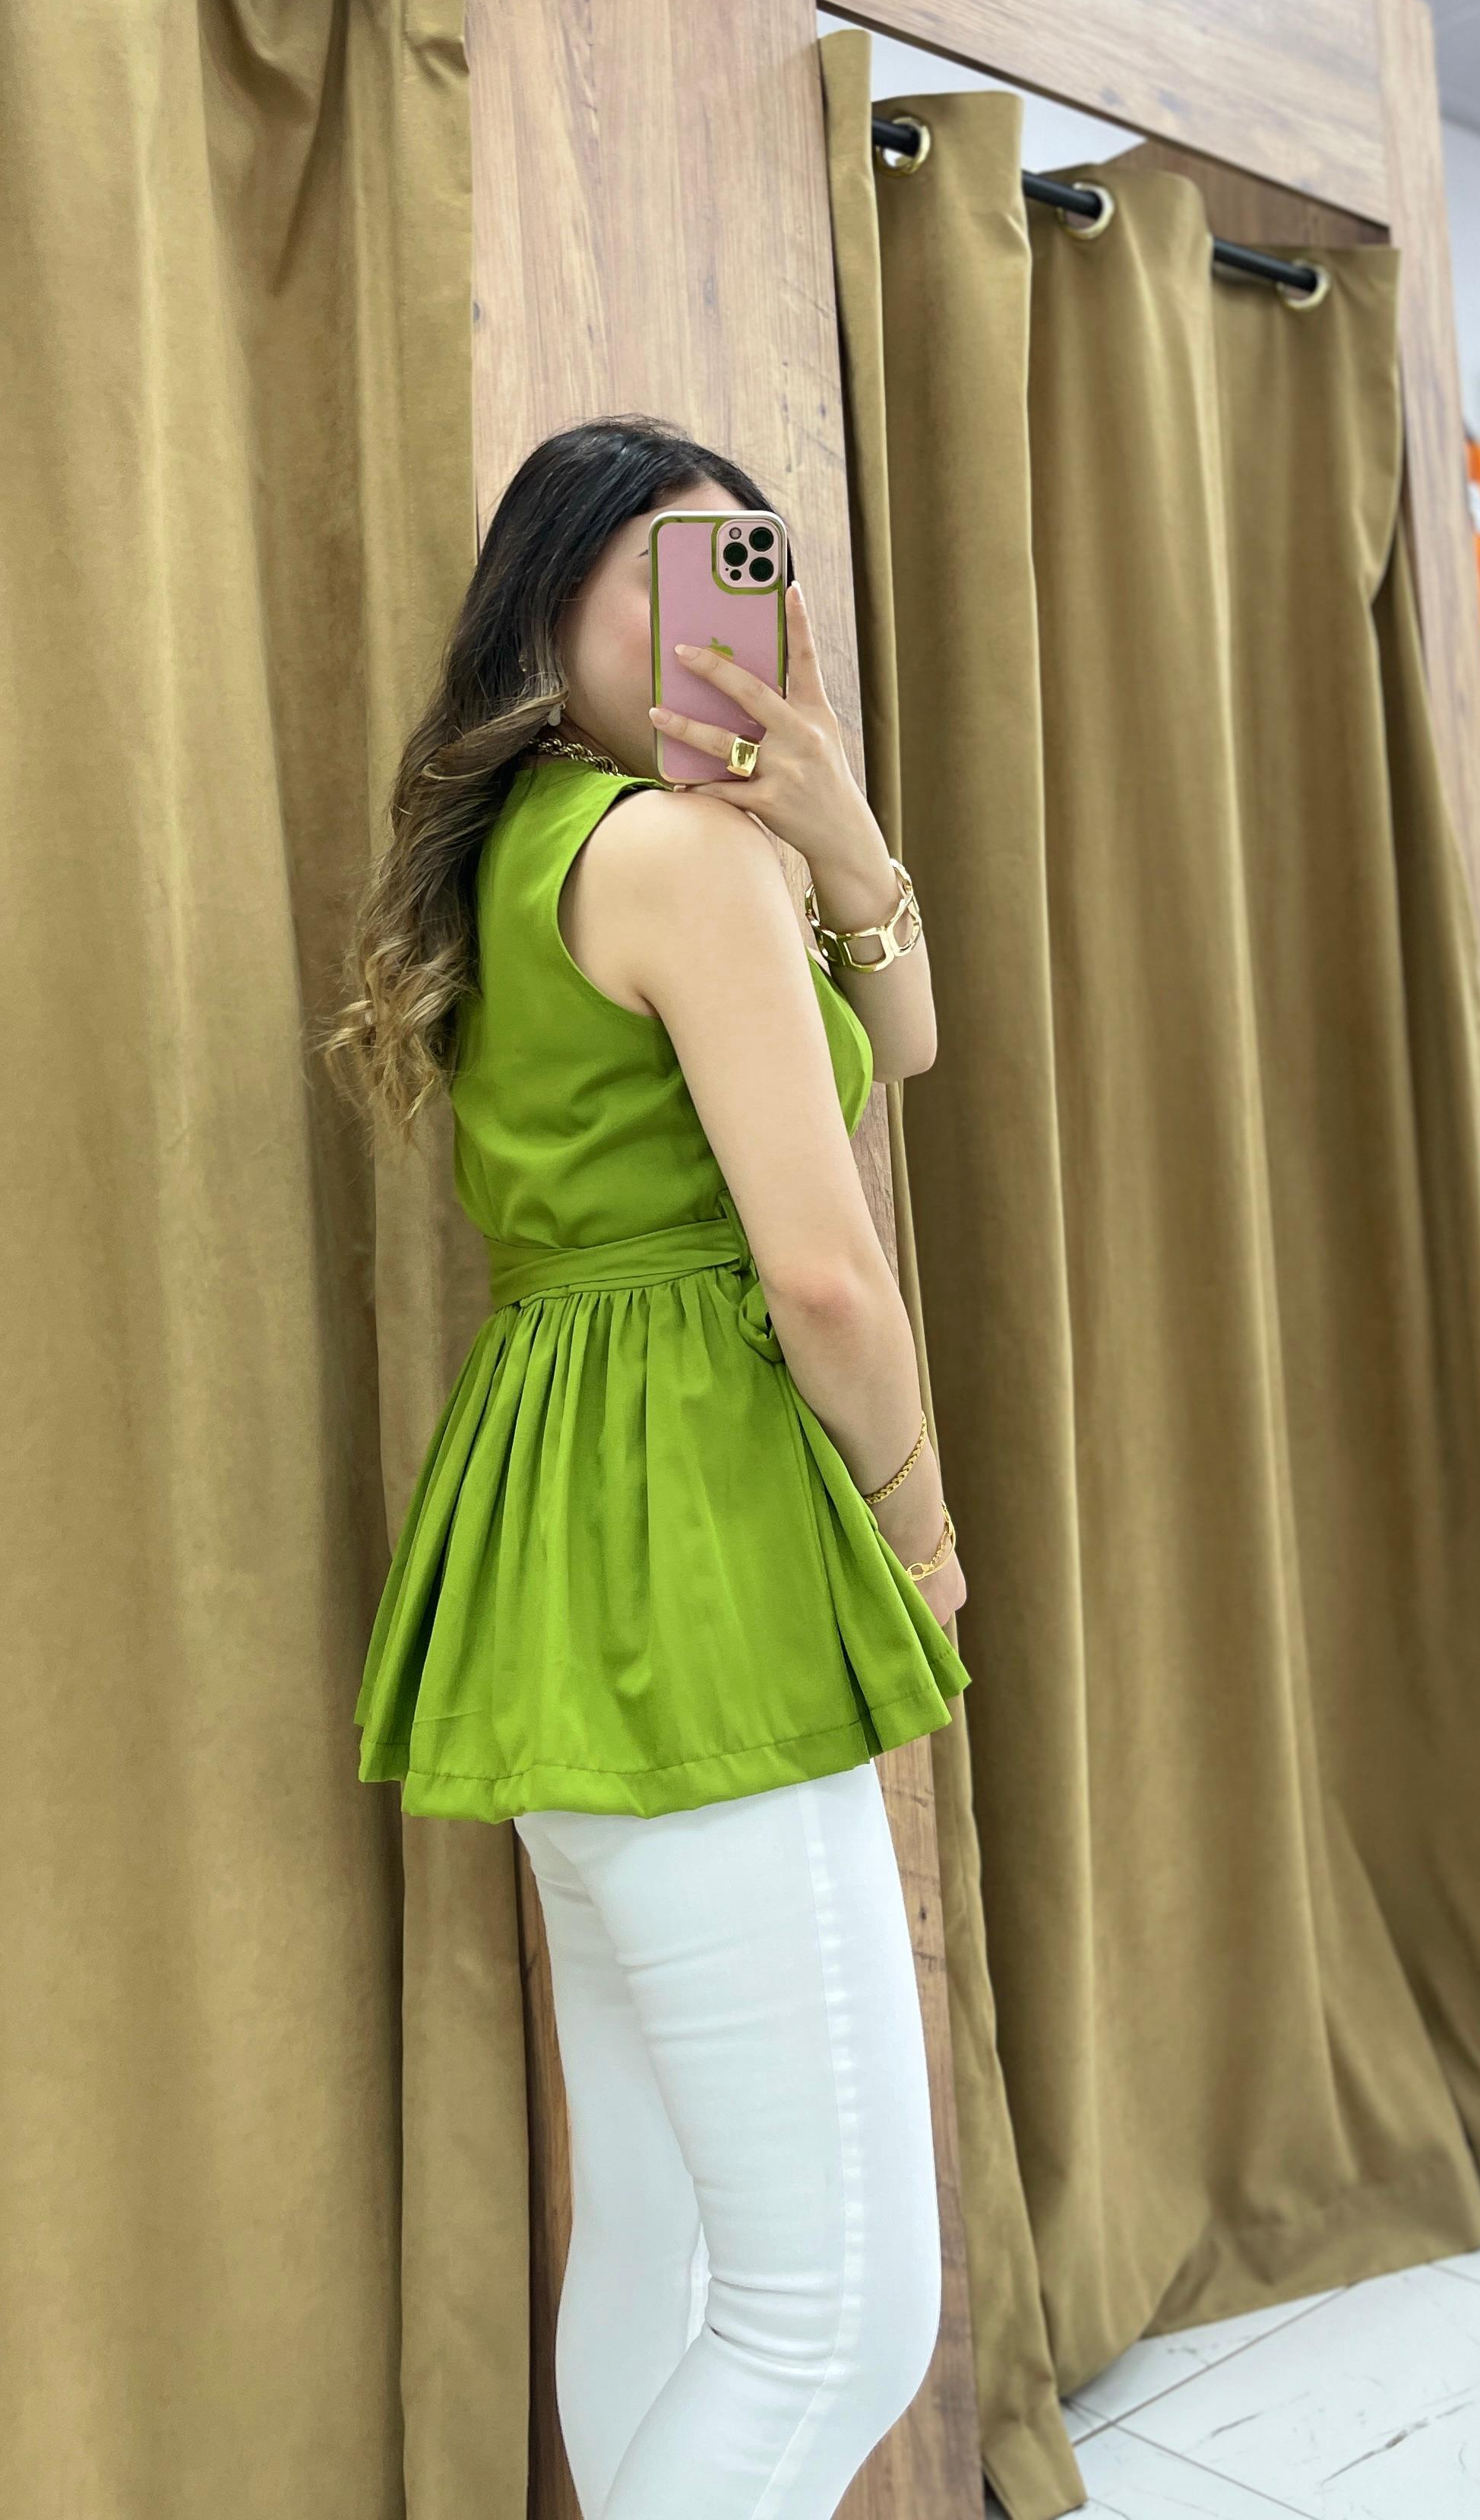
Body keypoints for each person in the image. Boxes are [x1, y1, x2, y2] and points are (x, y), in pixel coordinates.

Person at [322, 414, 970, 2520]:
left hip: (555, 1518)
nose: (719, 626)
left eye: (750, 574)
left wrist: (846, 837)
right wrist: (921, 1530)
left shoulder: (526, 843)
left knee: (666, 2242)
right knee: (836, 2316)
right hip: (698, 1527)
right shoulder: (678, 861)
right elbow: (829, 1274)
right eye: (670, 577)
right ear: (553, 599)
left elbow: (902, 1044)